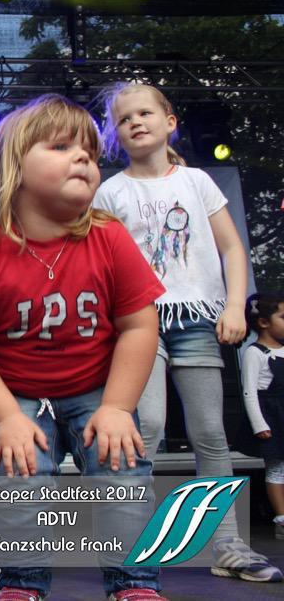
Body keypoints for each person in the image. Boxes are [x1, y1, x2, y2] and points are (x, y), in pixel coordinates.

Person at [0, 94, 166, 600]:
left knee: (122, 468)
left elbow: (138, 325)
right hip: (17, 391)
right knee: (18, 471)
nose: (83, 157)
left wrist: (117, 407)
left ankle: (134, 584)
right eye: (61, 147)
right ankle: (22, 583)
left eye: (89, 151)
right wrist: (6, 417)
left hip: (95, 387)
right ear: (14, 167)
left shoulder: (109, 237)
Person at [95, 81, 280, 582]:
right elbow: (104, 261)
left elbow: (232, 248)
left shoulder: (197, 181)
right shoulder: (111, 191)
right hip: (141, 322)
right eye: (124, 119)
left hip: (197, 318)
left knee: (210, 433)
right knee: (147, 427)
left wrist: (236, 306)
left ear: (170, 122)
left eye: (145, 113)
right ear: (115, 135)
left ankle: (227, 545)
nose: (135, 122)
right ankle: (132, 544)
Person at [240, 294, 284, 538]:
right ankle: (281, 518)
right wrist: (259, 424)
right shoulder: (255, 353)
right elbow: (249, 391)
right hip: (273, 417)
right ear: (264, 322)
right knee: (277, 468)